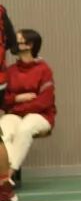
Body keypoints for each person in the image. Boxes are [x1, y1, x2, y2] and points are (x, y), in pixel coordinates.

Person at [1, 29, 56, 181]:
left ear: (29, 45)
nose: (13, 44)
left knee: (25, 128)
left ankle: (8, 174)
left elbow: (44, 102)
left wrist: (16, 107)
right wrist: (17, 98)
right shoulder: (10, 71)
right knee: (2, 132)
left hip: (41, 115)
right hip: (14, 114)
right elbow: (3, 100)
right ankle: (5, 174)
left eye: (17, 41)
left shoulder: (44, 70)